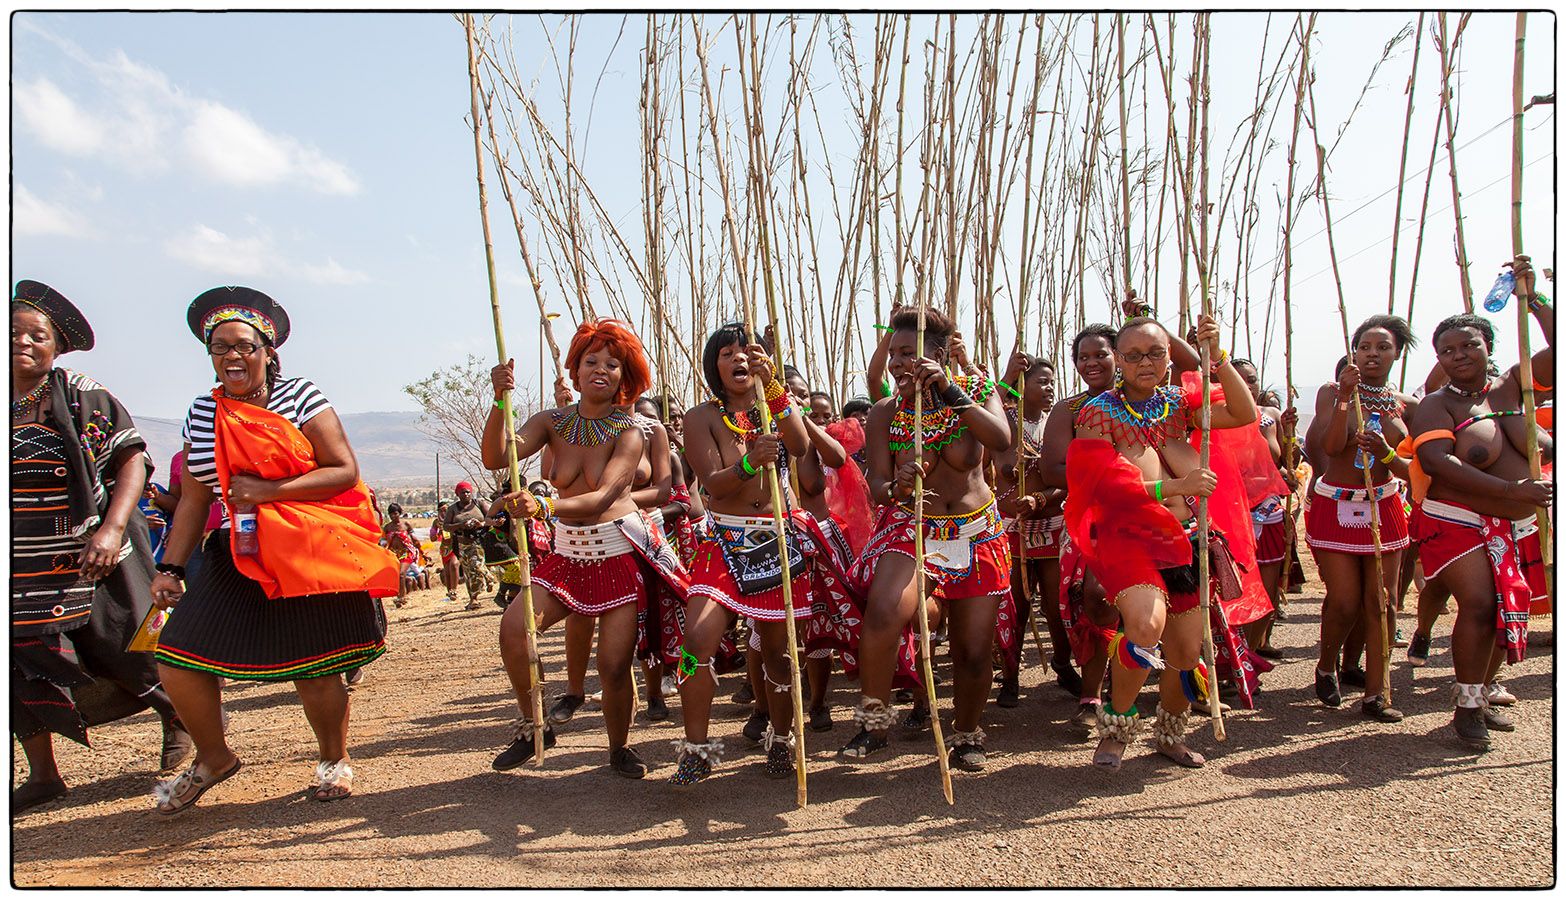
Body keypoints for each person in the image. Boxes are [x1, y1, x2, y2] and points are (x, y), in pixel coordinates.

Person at [150, 286, 397, 812]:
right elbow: (195, 496)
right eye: (220, 347)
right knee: (177, 659)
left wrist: (270, 492)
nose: (232, 356)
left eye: (244, 346)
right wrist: (170, 565)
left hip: (304, 545)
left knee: (315, 665)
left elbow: (342, 469)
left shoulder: (301, 396)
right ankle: (213, 758)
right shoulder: (202, 410)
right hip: (235, 549)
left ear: (268, 352)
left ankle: (333, 758)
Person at [11, 280, 192, 813]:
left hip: (88, 549)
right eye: (12, 332)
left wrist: (111, 530)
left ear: (55, 346)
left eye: (35, 334)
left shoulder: (78, 395)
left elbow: (130, 459)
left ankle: (181, 717)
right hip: (17, 560)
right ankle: (44, 774)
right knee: (18, 662)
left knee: (122, 647)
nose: (21, 341)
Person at [480, 318, 689, 779]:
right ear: (574, 371)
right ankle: (534, 725)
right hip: (566, 557)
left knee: (613, 667)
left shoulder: (632, 431)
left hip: (617, 556)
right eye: (590, 361)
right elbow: (497, 457)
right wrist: (500, 399)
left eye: (612, 364)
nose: (600, 370)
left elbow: (604, 496)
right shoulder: (549, 423)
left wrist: (541, 503)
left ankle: (619, 748)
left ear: (624, 377)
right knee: (515, 629)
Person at [1066, 313, 1258, 770]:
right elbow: (1101, 487)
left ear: (1169, 357)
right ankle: (1116, 728)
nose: (1144, 363)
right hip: (1130, 538)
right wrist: (1171, 488)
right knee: (1146, 626)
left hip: (1189, 537)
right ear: (1118, 362)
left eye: (1154, 353)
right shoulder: (1097, 412)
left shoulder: (1180, 404)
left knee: (1187, 649)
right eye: (1132, 356)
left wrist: (1219, 356)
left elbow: (1244, 412)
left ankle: (1170, 733)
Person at [839, 307, 1014, 772]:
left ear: (938, 355)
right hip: (915, 529)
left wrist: (949, 389)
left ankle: (966, 735)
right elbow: (875, 484)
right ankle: (874, 722)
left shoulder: (976, 391)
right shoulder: (885, 414)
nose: (897, 363)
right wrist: (896, 485)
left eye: (907, 354)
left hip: (978, 532)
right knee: (883, 612)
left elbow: (1001, 437)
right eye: (892, 354)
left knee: (973, 650)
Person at [1408, 257, 1553, 749]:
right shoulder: (1436, 405)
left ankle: (1484, 694)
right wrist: (1511, 493)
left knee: (1508, 608)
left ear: (1487, 345)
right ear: (1439, 360)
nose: (1460, 355)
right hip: (1455, 520)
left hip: (1516, 522)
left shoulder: (1513, 385)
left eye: (1469, 344)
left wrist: (1533, 299)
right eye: (1447, 350)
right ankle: (1466, 705)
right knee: (1480, 601)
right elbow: (1437, 463)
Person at [671, 323, 818, 785]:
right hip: (726, 541)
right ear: (714, 365)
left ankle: (781, 738)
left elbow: (801, 446)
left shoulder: (774, 406)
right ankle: (697, 749)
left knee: (777, 653)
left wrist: (774, 388)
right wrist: (753, 460)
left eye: (744, 351)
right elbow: (713, 484)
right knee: (696, 640)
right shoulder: (700, 418)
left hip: (777, 539)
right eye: (726, 352)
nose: (737, 359)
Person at [1304, 315, 1419, 722]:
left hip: (1384, 504)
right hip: (1336, 504)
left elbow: (1413, 469)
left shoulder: (1405, 406)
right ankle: (1326, 664)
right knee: (1345, 600)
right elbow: (1332, 447)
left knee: (1383, 602)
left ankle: (1377, 693)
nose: (1373, 354)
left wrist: (1387, 453)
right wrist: (1344, 400)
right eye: (1365, 347)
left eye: (1383, 347)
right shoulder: (1332, 392)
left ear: (1397, 354)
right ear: (1354, 352)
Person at [994, 351, 1078, 707]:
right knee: (1015, 604)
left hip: (1052, 521)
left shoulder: (1057, 424)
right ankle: (1010, 675)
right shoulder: (1006, 421)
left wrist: (1041, 499)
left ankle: (1063, 663)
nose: (1049, 388)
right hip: (1013, 526)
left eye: (1052, 382)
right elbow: (982, 414)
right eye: (1041, 381)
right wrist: (1007, 376)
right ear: (1023, 385)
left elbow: (1069, 474)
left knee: (1058, 605)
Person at [1232, 359, 1300, 660]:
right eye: (1240, 380)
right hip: (1232, 514)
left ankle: (1254, 650)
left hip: (1268, 511)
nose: (1248, 385)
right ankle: (1233, 659)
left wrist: (1290, 436)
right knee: (1234, 587)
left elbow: (1286, 463)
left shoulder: (1270, 416)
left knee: (1268, 588)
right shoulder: (1218, 417)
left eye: (1252, 379)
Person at [440, 481, 489, 609]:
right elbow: (446, 526)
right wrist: (461, 525)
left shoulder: (479, 504)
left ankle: (488, 577)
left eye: (468, 492)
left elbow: (490, 518)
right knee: (468, 571)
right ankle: (473, 599)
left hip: (480, 541)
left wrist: (480, 524)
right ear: (458, 494)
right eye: (463, 492)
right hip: (462, 543)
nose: (466, 494)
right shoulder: (453, 509)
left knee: (476, 566)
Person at [382, 502, 424, 608]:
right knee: (396, 576)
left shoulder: (405, 524)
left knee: (401, 574)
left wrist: (422, 552)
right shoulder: (387, 527)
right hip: (393, 554)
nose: (393, 516)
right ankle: (400, 595)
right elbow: (383, 541)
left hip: (406, 552)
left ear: (399, 513)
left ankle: (401, 597)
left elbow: (414, 539)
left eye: (395, 513)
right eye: (391, 514)